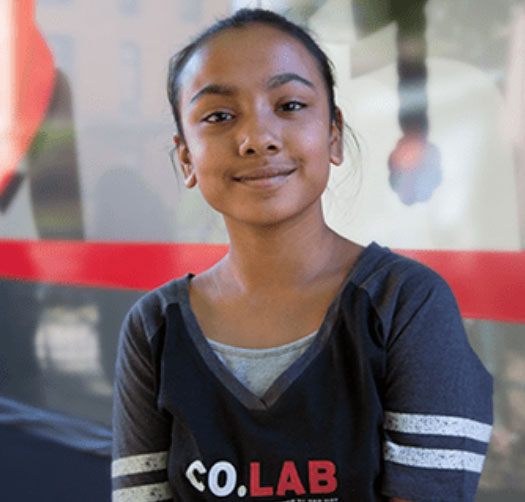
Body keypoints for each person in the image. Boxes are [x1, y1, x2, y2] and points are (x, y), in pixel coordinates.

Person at [111, 8, 493, 501]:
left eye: (290, 105)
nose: (257, 138)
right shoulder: (154, 330)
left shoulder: (405, 304)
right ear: (186, 157)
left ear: (332, 134)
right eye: (219, 116)